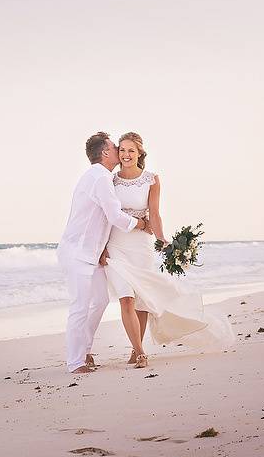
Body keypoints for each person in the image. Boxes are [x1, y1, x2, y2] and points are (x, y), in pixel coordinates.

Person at [103, 132, 234, 369]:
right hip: (116, 244)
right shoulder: (110, 180)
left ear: (140, 153)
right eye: (122, 150)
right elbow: (104, 216)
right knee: (125, 297)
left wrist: (162, 239)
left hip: (140, 246)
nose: (126, 155)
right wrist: (101, 246)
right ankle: (141, 352)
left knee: (141, 299)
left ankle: (135, 348)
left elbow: (154, 213)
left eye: (131, 150)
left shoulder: (151, 179)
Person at [57, 132, 152, 374]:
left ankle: (85, 351)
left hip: (92, 253)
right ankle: (76, 362)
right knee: (80, 306)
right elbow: (114, 215)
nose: (120, 149)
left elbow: (103, 219)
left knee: (99, 301)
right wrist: (140, 224)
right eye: (115, 147)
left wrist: (104, 247)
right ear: (105, 153)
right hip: (77, 253)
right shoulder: (100, 178)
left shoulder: (100, 177)